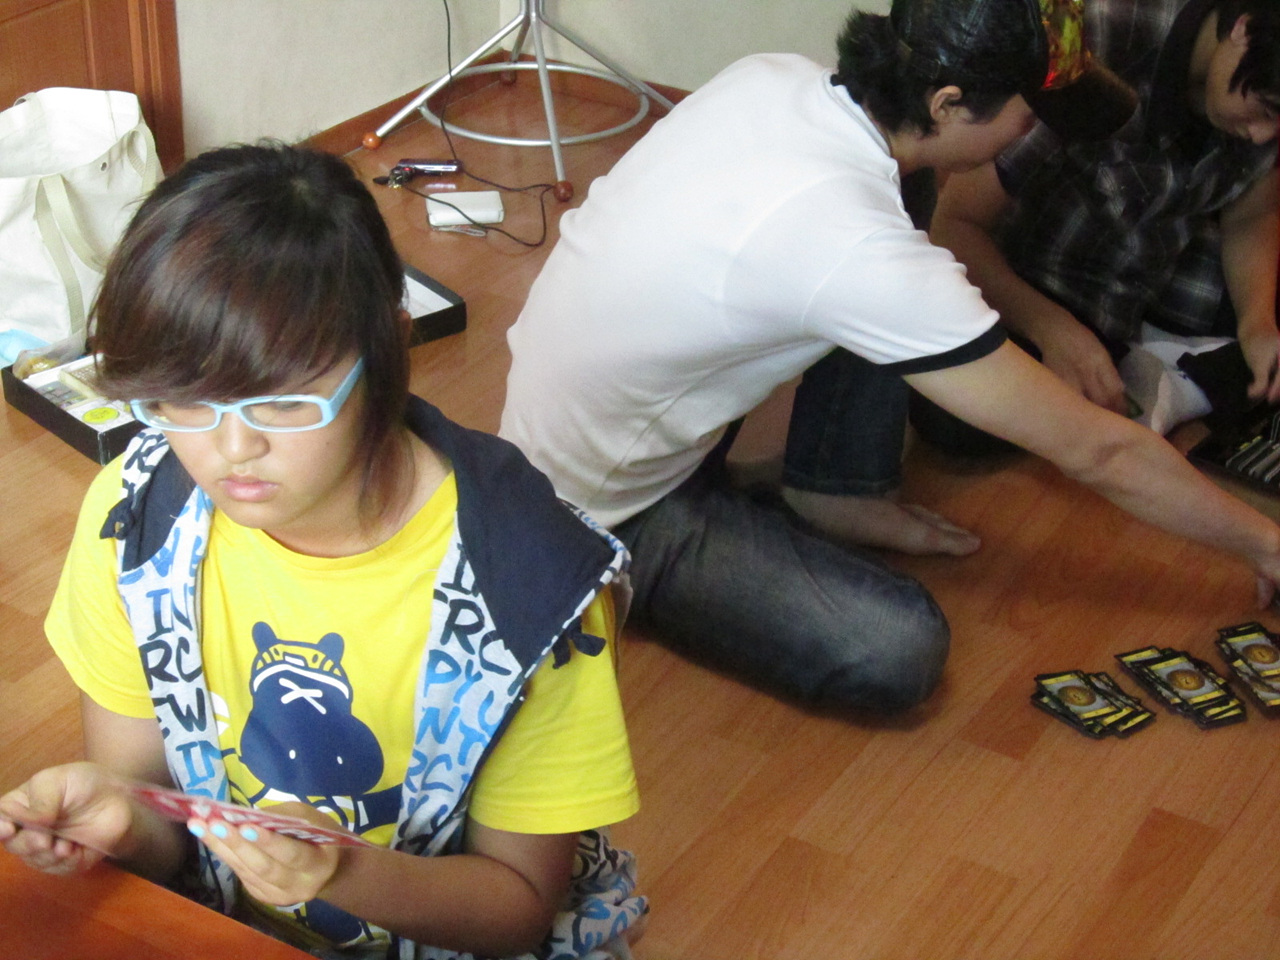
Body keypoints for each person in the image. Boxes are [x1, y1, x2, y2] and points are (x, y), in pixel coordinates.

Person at [499, 0, 1280, 715]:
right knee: (899, 647)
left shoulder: (775, 77)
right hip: (595, 514)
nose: (1029, 137)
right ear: (947, 104)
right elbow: (1099, 450)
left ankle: (833, 490)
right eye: (1027, 117)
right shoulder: (854, 246)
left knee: (907, 200)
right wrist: (1266, 542)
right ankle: (667, 553)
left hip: (573, 411)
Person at [0, 143, 646, 960]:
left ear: (389, 348)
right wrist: (124, 820)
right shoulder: (137, 521)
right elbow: (158, 815)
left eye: (283, 401)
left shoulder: (533, 589)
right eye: (184, 398)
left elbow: (515, 909)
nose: (232, 447)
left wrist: (341, 871)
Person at [929, 0, 1279, 441]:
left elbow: (1254, 213)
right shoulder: (1090, 36)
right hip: (1036, 279)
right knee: (960, 415)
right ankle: (1171, 371)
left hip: (1153, 272)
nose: (1264, 135)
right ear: (1243, 29)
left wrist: (1257, 323)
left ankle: (1167, 371)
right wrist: (1053, 329)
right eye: (1267, 109)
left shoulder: (1258, 86)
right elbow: (955, 226)